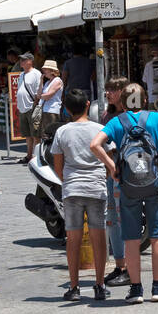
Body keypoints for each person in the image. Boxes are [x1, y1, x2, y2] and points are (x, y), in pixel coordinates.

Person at [90, 97, 158, 303]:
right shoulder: (156, 118)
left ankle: (135, 289)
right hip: (154, 182)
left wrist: (112, 166)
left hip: (128, 186)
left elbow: (95, 144)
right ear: (144, 100)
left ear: (123, 104)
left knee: (131, 238)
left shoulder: (116, 122)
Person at [50, 88, 110, 302]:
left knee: (73, 239)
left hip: (72, 189)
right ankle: (100, 284)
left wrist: (67, 181)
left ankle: (74, 287)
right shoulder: (99, 129)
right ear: (87, 105)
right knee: (98, 237)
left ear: (66, 109)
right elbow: (109, 158)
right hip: (96, 188)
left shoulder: (62, 132)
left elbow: (58, 166)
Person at [99, 77, 132, 286]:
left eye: (113, 89)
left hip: (127, 173)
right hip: (111, 174)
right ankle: (120, 266)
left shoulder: (131, 116)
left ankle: (128, 267)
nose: (108, 93)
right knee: (112, 219)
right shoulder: (107, 116)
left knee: (123, 219)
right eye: (108, 89)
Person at [15, 52, 42, 160]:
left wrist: (35, 103)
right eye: (21, 60)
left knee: (35, 134)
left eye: (24, 60)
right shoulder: (21, 74)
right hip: (22, 107)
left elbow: (38, 90)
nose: (21, 62)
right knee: (27, 134)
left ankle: (36, 156)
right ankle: (29, 155)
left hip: (31, 106)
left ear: (30, 61)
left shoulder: (36, 73)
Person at [61, 40, 96, 105]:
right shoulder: (90, 62)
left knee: (73, 112)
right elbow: (94, 77)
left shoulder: (68, 63)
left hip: (72, 92)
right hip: (86, 92)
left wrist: (62, 93)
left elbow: (64, 79)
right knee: (85, 112)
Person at [37, 60, 63, 140]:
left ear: (52, 71)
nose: (43, 71)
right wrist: (41, 81)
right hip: (45, 110)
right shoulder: (48, 82)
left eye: (46, 69)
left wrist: (40, 96)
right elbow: (40, 93)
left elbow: (48, 95)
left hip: (52, 111)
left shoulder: (57, 80)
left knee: (50, 135)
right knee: (44, 135)